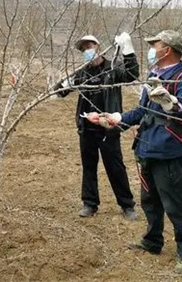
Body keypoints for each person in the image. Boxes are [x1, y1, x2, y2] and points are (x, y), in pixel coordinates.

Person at [86, 30, 182, 275]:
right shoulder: (153, 76)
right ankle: (152, 241)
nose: (151, 50)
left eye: (155, 45)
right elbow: (141, 111)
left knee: (177, 204)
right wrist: (117, 119)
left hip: (169, 152)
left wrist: (172, 102)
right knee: (150, 201)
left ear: (167, 49)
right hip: (147, 149)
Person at [55, 33, 139, 219]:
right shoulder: (82, 72)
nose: (87, 50)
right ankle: (90, 204)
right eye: (84, 48)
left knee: (115, 167)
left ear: (98, 47)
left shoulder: (112, 68)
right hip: (87, 130)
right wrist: (64, 84)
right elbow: (59, 92)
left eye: (90, 46)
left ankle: (127, 205)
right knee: (89, 167)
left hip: (108, 128)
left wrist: (128, 50)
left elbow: (132, 75)